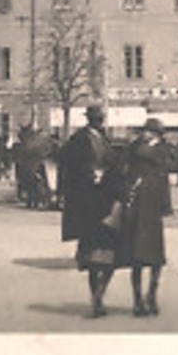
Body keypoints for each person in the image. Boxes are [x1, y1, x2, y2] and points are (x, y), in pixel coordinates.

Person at [59, 105, 116, 317]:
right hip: (87, 202)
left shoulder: (105, 139)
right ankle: (96, 298)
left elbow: (113, 163)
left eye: (100, 118)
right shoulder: (79, 140)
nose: (99, 122)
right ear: (90, 120)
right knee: (92, 257)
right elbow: (63, 160)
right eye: (96, 119)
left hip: (106, 201)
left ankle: (99, 294)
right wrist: (84, 175)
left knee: (110, 255)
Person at [123, 117, 177, 317]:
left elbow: (166, 178)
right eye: (144, 130)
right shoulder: (138, 147)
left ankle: (151, 295)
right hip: (138, 205)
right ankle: (138, 300)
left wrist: (166, 205)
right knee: (137, 257)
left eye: (148, 131)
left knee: (155, 258)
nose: (144, 134)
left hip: (152, 206)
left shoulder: (162, 150)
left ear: (155, 134)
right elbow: (126, 170)